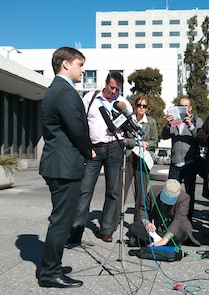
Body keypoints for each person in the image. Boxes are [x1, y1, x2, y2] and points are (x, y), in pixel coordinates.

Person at [38, 47, 93, 288]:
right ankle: (50, 272)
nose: (83, 69)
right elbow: (78, 129)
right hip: (64, 166)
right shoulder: (64, 93)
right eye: (80, 65)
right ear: (65, 64)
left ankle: (53, 264)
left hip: (58, 163)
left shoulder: (56, 90)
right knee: (62, 220)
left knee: (61, 217)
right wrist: (88, 150)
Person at [68, 71, 132, 244]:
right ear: (105, 82)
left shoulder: (123, 103)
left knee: (113, 191)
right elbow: (80, 122)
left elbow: (130, 125)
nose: (113, 92)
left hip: (115, 149)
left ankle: (106, 229)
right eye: (111, 87)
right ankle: (76, 230)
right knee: (84, 190)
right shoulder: (90, 98)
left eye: (117, 89)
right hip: (93, 149)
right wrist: (85, 148)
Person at [161, 97, 203, 222]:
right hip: (175, 163)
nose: (183, 108)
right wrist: (168, 125)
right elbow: (164, 136)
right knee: (170, 192)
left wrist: (191, 125)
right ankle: (170, 219)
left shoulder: (196, 120)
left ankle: (187, 220)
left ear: (190, 108)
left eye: (186, 106)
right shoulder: (175, 120)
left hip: (190, 162)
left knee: (189, 193)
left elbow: (200, 138)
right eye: (180, 106)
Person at [127, 179, 200, 247]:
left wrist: (164, 240)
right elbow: (143, 209)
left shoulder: (184, 198)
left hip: (176, 228)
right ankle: (169, 243)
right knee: (133, 226)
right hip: (157, 228)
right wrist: (147, 223)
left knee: (181, 234)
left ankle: (146, 241)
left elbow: (178, 220)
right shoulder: (154, 190)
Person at [125, 96, 158, 222]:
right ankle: (114, 222)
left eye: (144, 106)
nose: (141, 108)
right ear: (135, 106)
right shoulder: (128, 121)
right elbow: (123, 139)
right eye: (139, 105)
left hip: (143, 159)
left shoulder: (151, 122)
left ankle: (138, 223)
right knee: (121, 190)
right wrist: (135, 143)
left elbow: (155, 141)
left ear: (147, 108)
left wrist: (146, 144)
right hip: (129, 157)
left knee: (141, 193)